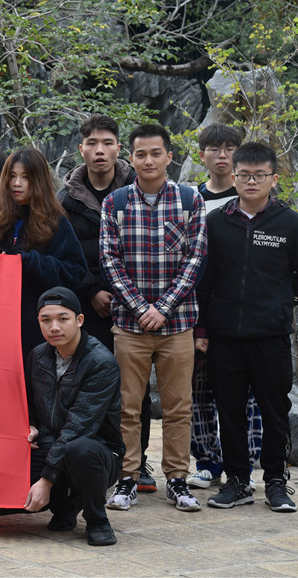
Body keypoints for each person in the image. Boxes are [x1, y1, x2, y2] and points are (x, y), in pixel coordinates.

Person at [198, 143, 298, 512]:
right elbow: (204, 278)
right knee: (230, 412)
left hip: (271, 336)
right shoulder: (216, 222)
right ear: (233, 178)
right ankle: (237, 481)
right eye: (245, 175)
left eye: (259, 175)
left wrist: (282, 302)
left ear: (274, 179)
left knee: (275, 412)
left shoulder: (290, 222)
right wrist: (202, 327)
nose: (252, 182)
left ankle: (276, 482)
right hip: (225, 336)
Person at [100, 124, 207, 513]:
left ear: (169, 156)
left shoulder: (189, 199)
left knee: (179, 407)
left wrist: (163, 307)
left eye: (155, 153)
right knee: (127, 407)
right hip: (129, 326)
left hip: (177, 325)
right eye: (141, 154)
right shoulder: (115, 203)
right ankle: (127, 478)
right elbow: (109, 260)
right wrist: (139, 307)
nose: (148, 160)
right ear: (131, 158)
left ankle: (177, 479)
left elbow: (196, 258)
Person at [56, 115, 157, 492]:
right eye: (92, 143)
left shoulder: (139, 189)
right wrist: (92, 292)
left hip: (136, 307)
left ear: (119, 148)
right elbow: (64, 253)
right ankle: (96, 460)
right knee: (88, 383)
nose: (100, 150)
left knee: (135, 389)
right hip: (89, 309)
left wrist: (130, 296)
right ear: (81, 149)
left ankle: (138, 462)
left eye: (108, 143)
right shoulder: (66, 199)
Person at [0, 287, 124, 546]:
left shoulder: (101, 362)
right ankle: (66, 505)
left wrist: (45, 481)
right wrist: (31, 426)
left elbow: (79, 427)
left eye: (63, 319)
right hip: (51, 443)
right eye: (46, 320)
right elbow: (28, 403)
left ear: (79, 320)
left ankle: (97, 520)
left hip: (96, 450)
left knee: (80, 450)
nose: (54, 327)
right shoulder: (38, 355)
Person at [188, 124, 264, 491]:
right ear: (201, 154)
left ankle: (243, 463)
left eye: (230, 147)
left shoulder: (251, 198)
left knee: (245, 393)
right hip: (198, 310)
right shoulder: (190, 199)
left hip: (243, 315)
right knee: (199, 391)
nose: (222, 155)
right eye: (214, 148)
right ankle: (207, 461)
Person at [0, 148, 86, 356]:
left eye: (25, 177)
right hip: (1, 323)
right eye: (12, 176)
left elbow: (75, 272)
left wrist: (31, 262)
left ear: (38, 180)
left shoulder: (55, 221)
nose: (17, 183)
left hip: (41, 327)